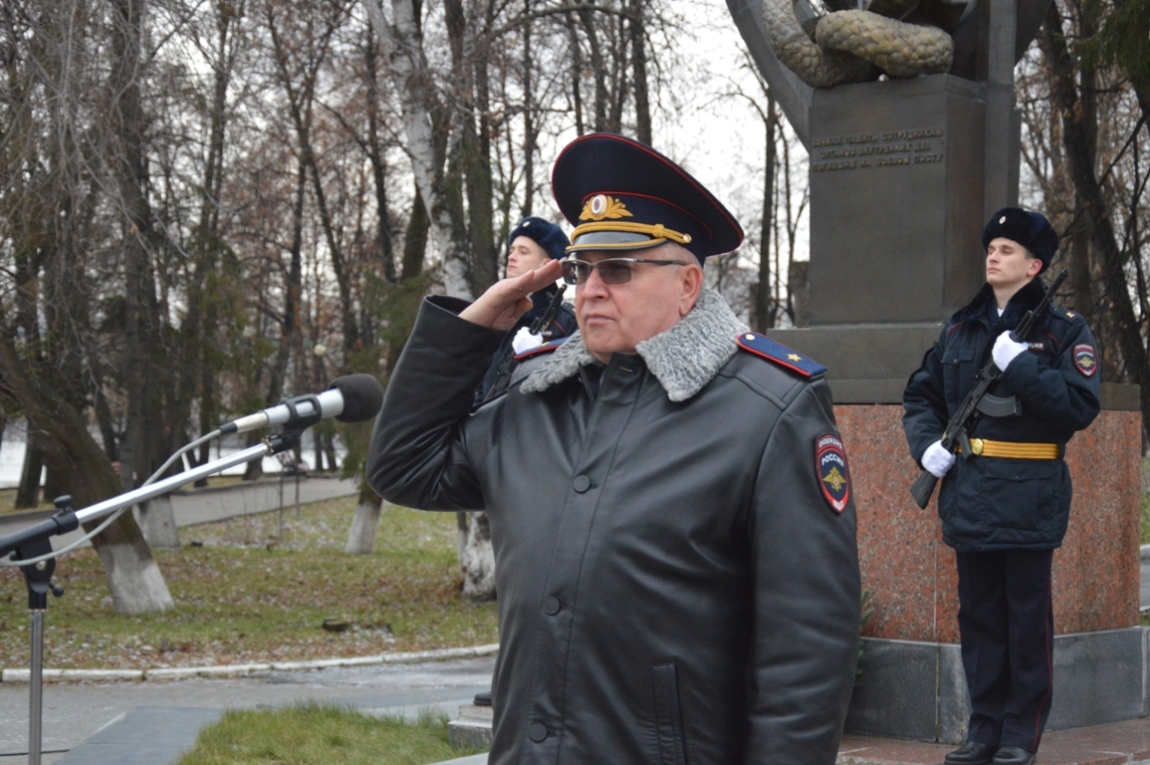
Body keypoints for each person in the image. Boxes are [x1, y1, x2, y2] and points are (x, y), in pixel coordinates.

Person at [368, 133, 860, 765]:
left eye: (618, 269)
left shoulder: (766, 409)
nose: (589, 290)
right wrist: (470, 333)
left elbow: (808, 648)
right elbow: (404, 468)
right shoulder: (536, 392)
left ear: (687, 284)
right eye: (581, 269)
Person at [902, 208, 1101, 765]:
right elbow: (922, 397)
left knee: (1025, 617)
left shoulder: (1063, 330)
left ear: (1035, 265)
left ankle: (1020, 733)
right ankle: (983, 727)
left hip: (1031, 489)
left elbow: (1078, 408)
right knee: (980, 617)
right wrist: (927, 447)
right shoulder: (960, 327)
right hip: (971, 490)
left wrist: (1023, 367)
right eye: (991, 246)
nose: (993, 255)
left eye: (1008, 249)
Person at [474, 217, 577, 405]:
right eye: (512, 250)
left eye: (523, 252)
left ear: (547, 265)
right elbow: (479, 385)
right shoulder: (495, 316)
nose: (511, 257)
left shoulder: (566, 322)